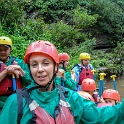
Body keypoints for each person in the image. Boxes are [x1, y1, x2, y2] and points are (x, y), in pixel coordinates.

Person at [1, 40, 124, 124]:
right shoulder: (16, 102)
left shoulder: (71, 98)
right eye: (34, 64)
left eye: (46, 63)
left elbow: (99, 116)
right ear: (29, 69)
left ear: (55, 67)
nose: (40, 69)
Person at [0, 36, 32, 112]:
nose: (2, 52)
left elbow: (31, 82)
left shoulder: (20, 63)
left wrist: (20, 71)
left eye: (5, 49)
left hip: (18, 101)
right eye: (0, 50)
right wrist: (6, 71)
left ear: (10, 49)